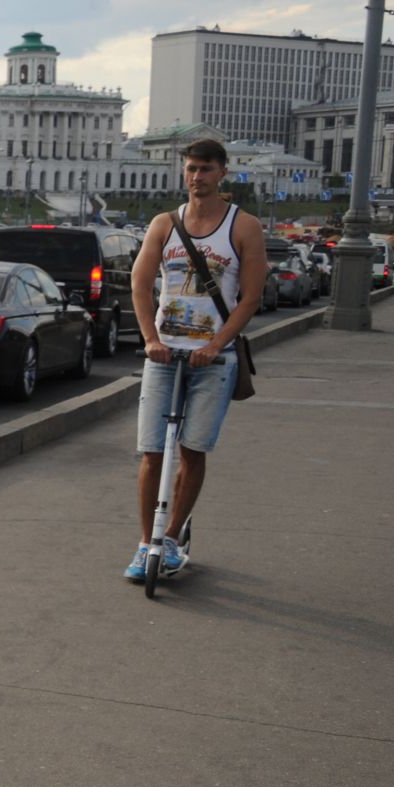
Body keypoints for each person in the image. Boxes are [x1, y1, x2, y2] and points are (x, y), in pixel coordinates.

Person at [124, 139, 269, 582]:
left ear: (222, 173)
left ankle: (171, 536)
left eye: (205, 169)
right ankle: (147, 540)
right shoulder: (164, 225)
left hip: (214, 359)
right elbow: (140, 283)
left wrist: (215, 344)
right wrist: (150, 338)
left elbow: (250, 298)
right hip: (165, 354)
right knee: (151, 452)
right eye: (190, 169)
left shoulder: (243, 227)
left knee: (192, 449)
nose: (196, 177)